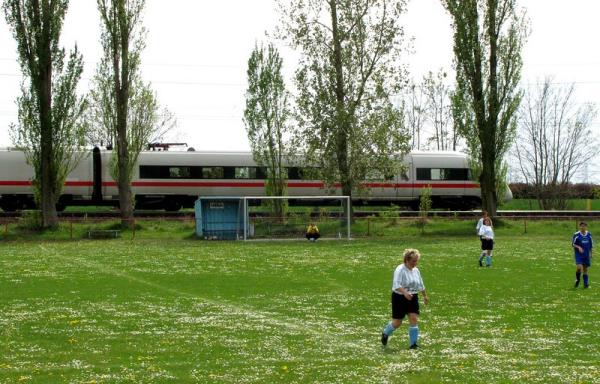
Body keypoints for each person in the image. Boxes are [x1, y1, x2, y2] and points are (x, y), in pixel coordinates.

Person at [381, 249, 429, 349]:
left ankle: (413, 344)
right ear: (407, 260)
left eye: (416, 261)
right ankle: (385, 333)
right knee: (397, 322)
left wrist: (424, 296)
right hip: (399, 297)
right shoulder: (400, 269)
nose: (415, 263)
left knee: (414, 318)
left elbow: (420, 284)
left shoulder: (416, 270)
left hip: (413, 297)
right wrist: (405, 293)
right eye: (413, 261)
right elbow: (396, 285)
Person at [572, 222, 593, 288]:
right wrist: (579, 247)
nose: (582, 227)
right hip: (579, 254)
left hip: (586, 254)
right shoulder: (576, 234)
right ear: (579, 227)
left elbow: (591, 245)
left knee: (585, 269)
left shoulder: (589, 234)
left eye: (584, 226)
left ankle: (586, 284)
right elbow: (573, 244)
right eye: (581, 226)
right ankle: (577, 280)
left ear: (586, 227)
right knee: (579, 268)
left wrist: (591, 253)